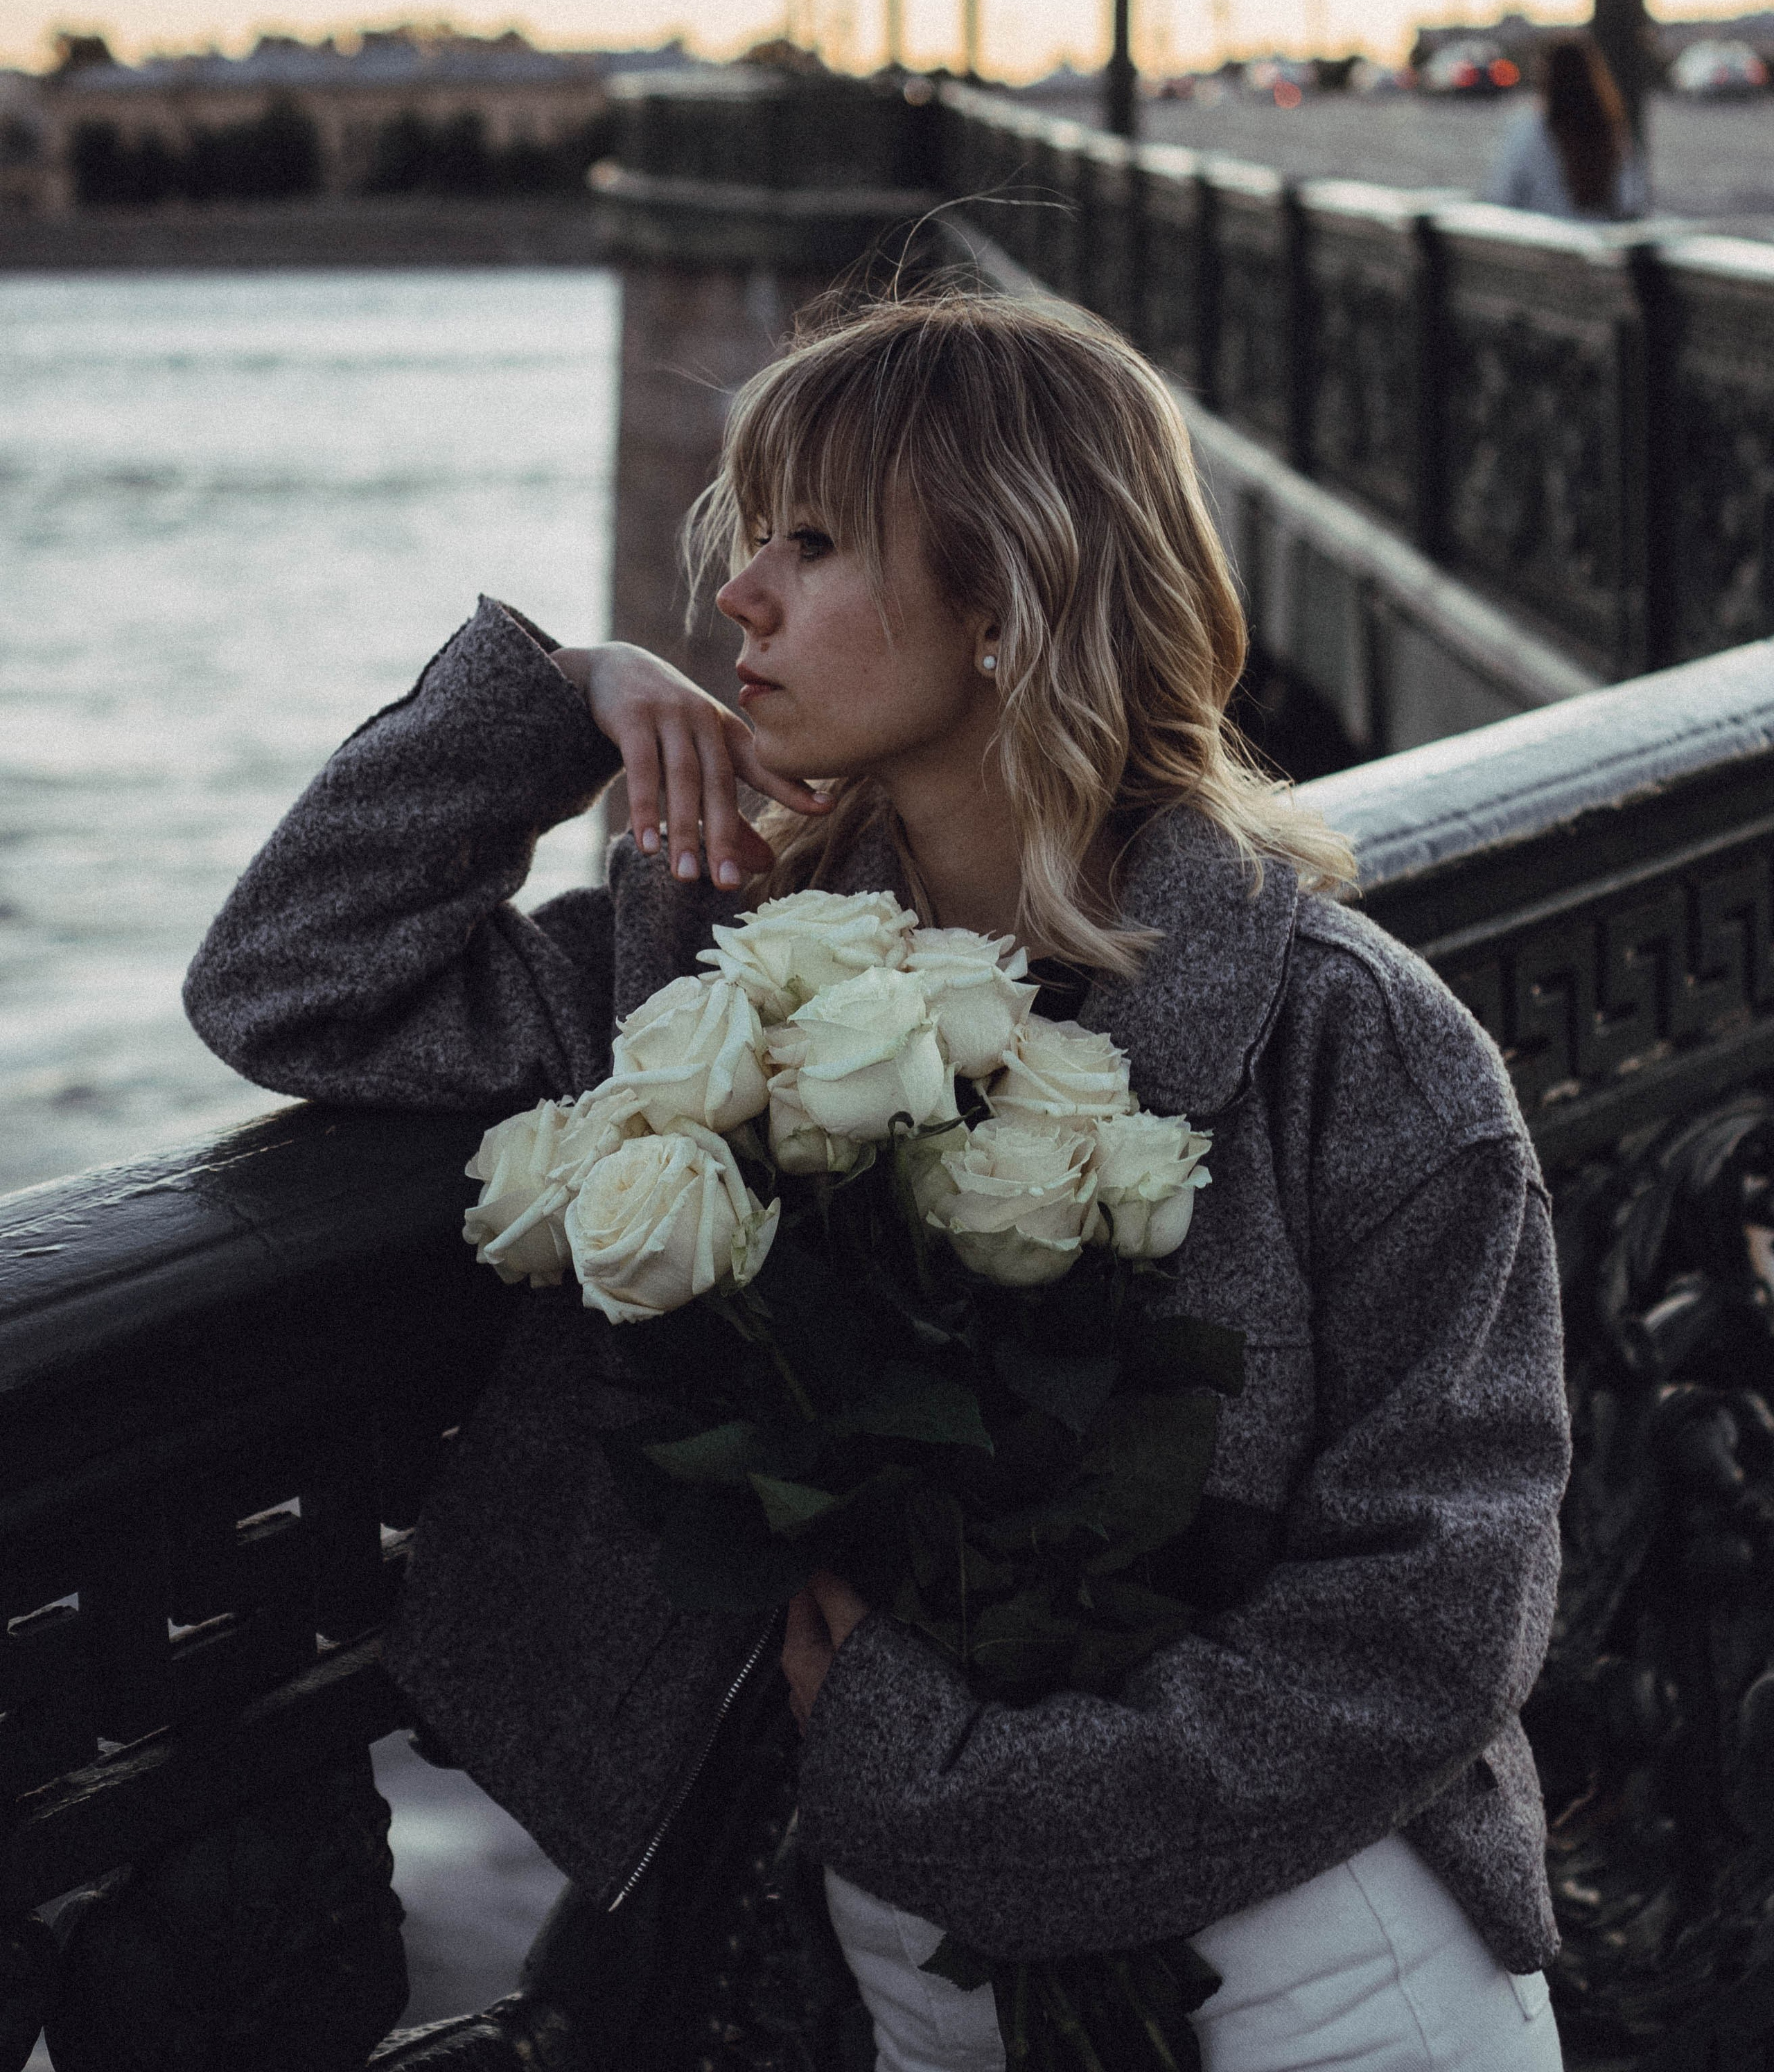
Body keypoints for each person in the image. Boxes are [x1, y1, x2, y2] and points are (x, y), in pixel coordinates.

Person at [184, 287, 1570, 2072]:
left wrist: (962, 1789)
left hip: (1325, 1974)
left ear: (1006, 600)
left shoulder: (1349, 1043)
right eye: (743, 538)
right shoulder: (712, 963)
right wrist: (552, 701)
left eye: (811, 541)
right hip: (912, 1982)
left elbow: (1433, 1614)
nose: (735, 595)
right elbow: (289, 978)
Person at [1483, 36, 1646, 220]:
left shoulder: (1528, 130)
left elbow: (1501, 197)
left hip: (1543, 242)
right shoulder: (1612, 132)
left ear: (1546, 79)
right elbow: (1632, 202)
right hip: (1599, 243)